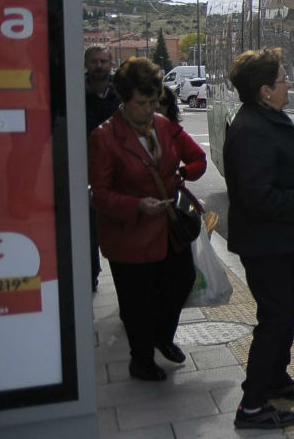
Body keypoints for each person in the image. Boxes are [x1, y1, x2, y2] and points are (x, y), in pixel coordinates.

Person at [224, 48, 294, 430]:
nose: (289, 84)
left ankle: (275, 380)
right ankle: (252, 406)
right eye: (283, 79)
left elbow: (278, 177)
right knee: (274, 320)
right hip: (265, 244)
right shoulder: (250, 130)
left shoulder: (265, 119)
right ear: (265, 90)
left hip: (280, 240)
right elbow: (257, 197)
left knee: (284, 313)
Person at [88, 57, 207, 381]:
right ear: (124, 100)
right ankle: (141, 361)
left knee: (180, 282)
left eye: (153, 102)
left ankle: (162, 337)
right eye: (141, 103)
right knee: (137, 303)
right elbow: (99, 193)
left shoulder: (164, 125)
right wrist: (137, 205)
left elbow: (197, 157)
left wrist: (182, 173)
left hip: (168, 229)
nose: (148, 110)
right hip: (130, 236)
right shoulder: (105, 137)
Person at [85, 44, 120, 292]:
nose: (99, 66)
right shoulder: (75, 91)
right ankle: (90, 273)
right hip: (84, 169)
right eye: (94, 61)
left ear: (110, 64)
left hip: (116, 170)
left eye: (103, 61)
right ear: (86, 64)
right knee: (88, 226)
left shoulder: (120, 93)